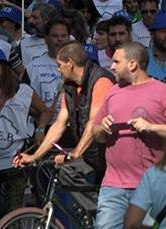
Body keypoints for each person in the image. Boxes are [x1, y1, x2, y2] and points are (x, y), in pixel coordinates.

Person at [15, 42, 115, 220]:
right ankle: (93, 215)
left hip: (110, 153)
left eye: (59, 65)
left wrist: (75, 153)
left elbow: (94, 121)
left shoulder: (101, 80)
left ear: (70, 62)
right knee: (63, 171)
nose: (58, 70)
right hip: (90, 152)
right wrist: (35, 156)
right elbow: (59, 123)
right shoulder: (69, 85)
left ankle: (101, 215)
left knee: (103, 204)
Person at [93, 42, 166, 229]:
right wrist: (102, 128)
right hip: (113, 186)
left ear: (133, 64)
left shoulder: (163, 92)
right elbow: (96, 134)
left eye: (116, 62)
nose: (111, 66)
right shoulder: (113, 92)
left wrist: (151, 127)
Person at [0, 48, 51, 228]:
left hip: (17, 159)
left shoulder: (23, 91)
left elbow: (44, 111)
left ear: (5, 67)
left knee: (13, 211)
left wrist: (40, 130)